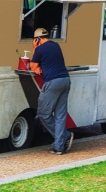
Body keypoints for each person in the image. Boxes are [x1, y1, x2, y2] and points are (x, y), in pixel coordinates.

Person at [30, 27, 74, 155]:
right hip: (65, 80)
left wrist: (34, 48)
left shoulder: (39, 49)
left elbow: (33, 66)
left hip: (53, 82)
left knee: (43, 114)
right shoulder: (56, 45)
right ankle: (58, 147)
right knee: (60, 116)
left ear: (37, 39)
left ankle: (64, 136)